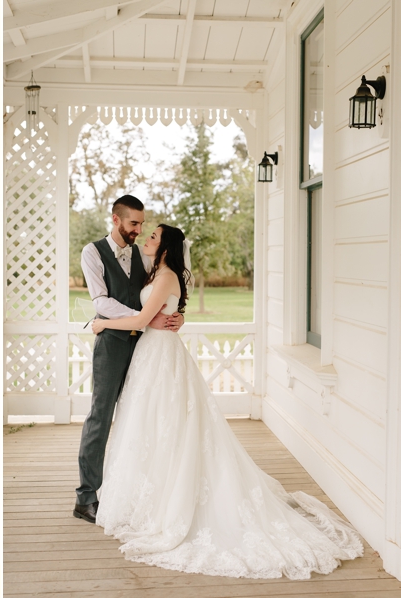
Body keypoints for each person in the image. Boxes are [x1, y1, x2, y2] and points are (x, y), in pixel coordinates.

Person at [90, 223, 363, 579]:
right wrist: (172, 316)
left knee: (170, 425)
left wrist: (101, 325)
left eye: (154, 236)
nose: (147, 238)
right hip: (151, 355)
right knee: (149, 425)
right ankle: (145, 495)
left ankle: (169, 502)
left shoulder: (168, 275)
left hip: (162, 356)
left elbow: (142, 319)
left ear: (167, 247)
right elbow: (152, 313)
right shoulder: (154, 271)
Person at [74, 195, 184, 524]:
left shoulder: (143, 254)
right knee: (101, 416)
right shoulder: (92, 253)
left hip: (146, 349)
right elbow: (101, 301)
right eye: (133, 223)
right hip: (113, 344)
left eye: (142, 224)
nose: (139, 230)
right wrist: (142, 318)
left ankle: (128, 489)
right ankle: (86, 496)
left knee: (140, 417)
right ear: (116, 219)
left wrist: (179, 318)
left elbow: (164, 290)